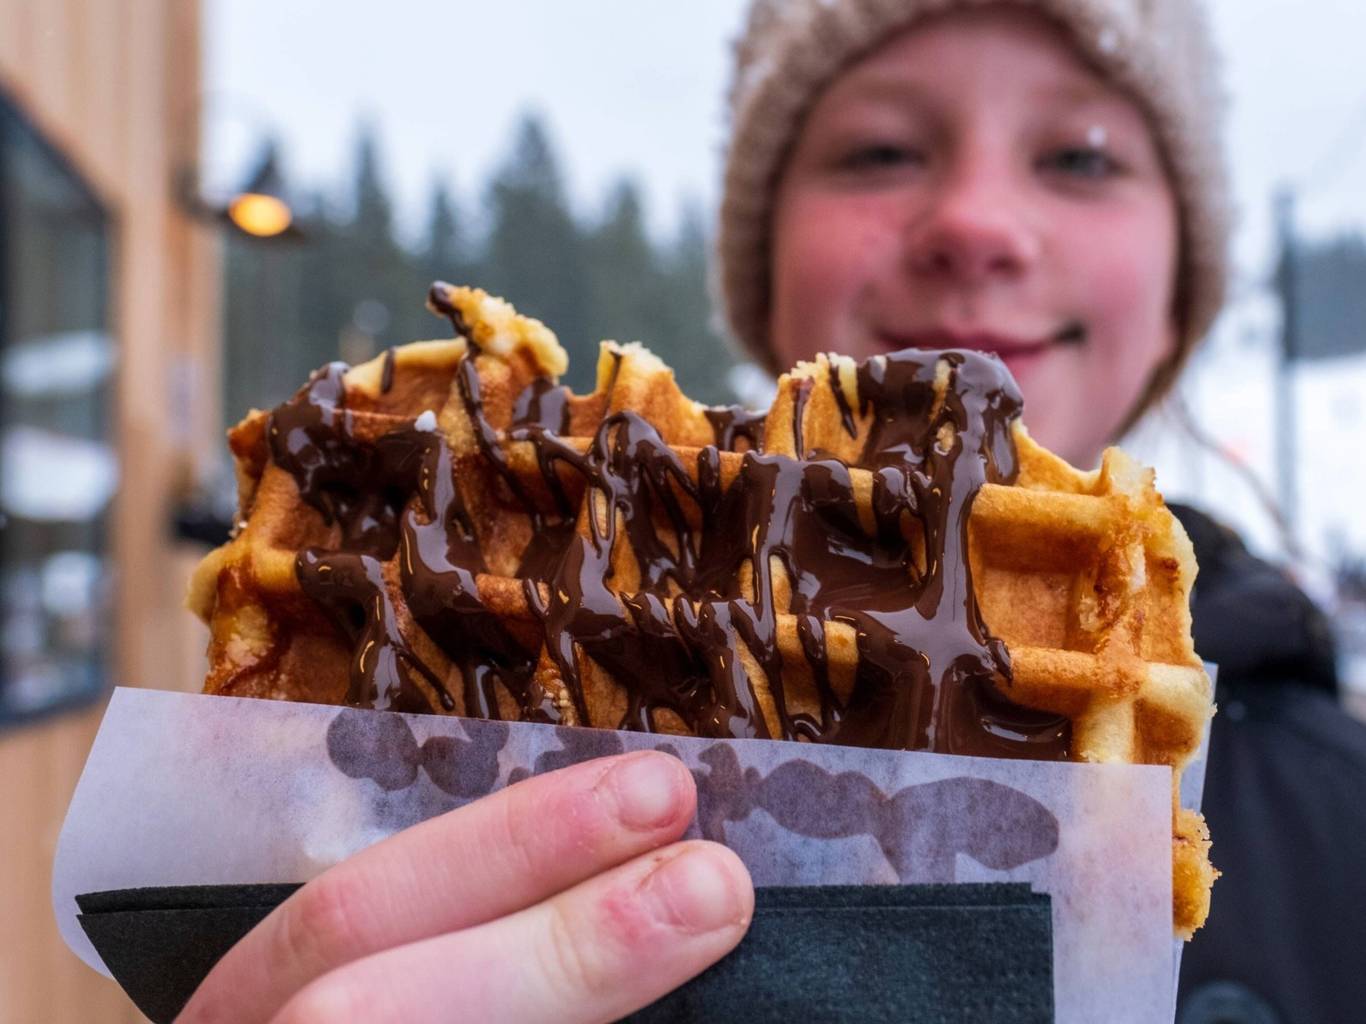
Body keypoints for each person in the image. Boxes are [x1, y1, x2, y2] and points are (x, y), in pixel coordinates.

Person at [180, 1, 1366, 1021]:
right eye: (881, 150)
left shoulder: (1340, 829)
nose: (974, 221)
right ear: (761, 253)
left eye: (1083, 156)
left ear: (1180, 290)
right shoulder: (341, 778)